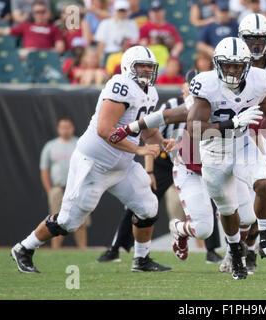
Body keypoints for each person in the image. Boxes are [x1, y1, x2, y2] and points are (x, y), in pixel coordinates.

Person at [11, 45, 174, 274]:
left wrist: (162, 142)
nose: (147, 70)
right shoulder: (121, 87)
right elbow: (105, 130)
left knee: (148, 207)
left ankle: (141, 259)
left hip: (122, 165)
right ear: (128, 67)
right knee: (68, 222)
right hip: (95, 163)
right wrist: (139, 151)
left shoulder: (151, 92)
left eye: (150, 66)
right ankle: (24, 248)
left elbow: (144, 128)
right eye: (142, 66)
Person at [97, 70, 224, 265]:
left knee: (209, 199)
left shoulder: (214, 105)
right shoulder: (173, 106)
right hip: (165, 160)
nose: (193, 89)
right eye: (189, 84)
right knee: (140, 201)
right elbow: (150, 134)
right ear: (184, 86)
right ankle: (117, 247)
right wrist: (149, 171)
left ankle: (212, 250)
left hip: (196, 161)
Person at [187, 37, 266, 279]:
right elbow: (194, 130)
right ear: (217, 65)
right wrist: (230, 123)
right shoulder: (206, 84)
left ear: (248, 66)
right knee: (228, 210)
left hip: (243, 144)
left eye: (238, 66)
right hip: (213, 152)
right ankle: (235, 252)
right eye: (228, 65)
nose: (233, 70)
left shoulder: (258, 80)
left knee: (263, 182)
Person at [221, 13, 266, 274]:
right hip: (238, 136)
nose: (255, 43)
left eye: (260, 38)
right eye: (250, 37)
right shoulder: (232, 61)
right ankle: (238, 252)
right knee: (243, 207)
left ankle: (250, 248)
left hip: (265, 134)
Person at [40, 117, 88, 249]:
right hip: (57, 189)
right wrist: (50, 190)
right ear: (58, 129)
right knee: (56, 221)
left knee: (80, 221)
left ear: (72, 128)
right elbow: (44, 169)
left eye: (68, 127)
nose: (65, 130)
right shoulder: (50, 146)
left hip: (77, 189)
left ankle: (82, 250)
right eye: (62, 127)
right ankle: (55, 250)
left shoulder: (80, 144)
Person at [0, 1, 64, 58]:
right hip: (28, 56)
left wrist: (41, 52)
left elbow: (60, 48)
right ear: (33, 14)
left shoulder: (54, 28)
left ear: (48, 13)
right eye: (37, 12)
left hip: (47, 57)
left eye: (43, 12)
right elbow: (5, 31)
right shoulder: (26, 26)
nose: (40, 15)